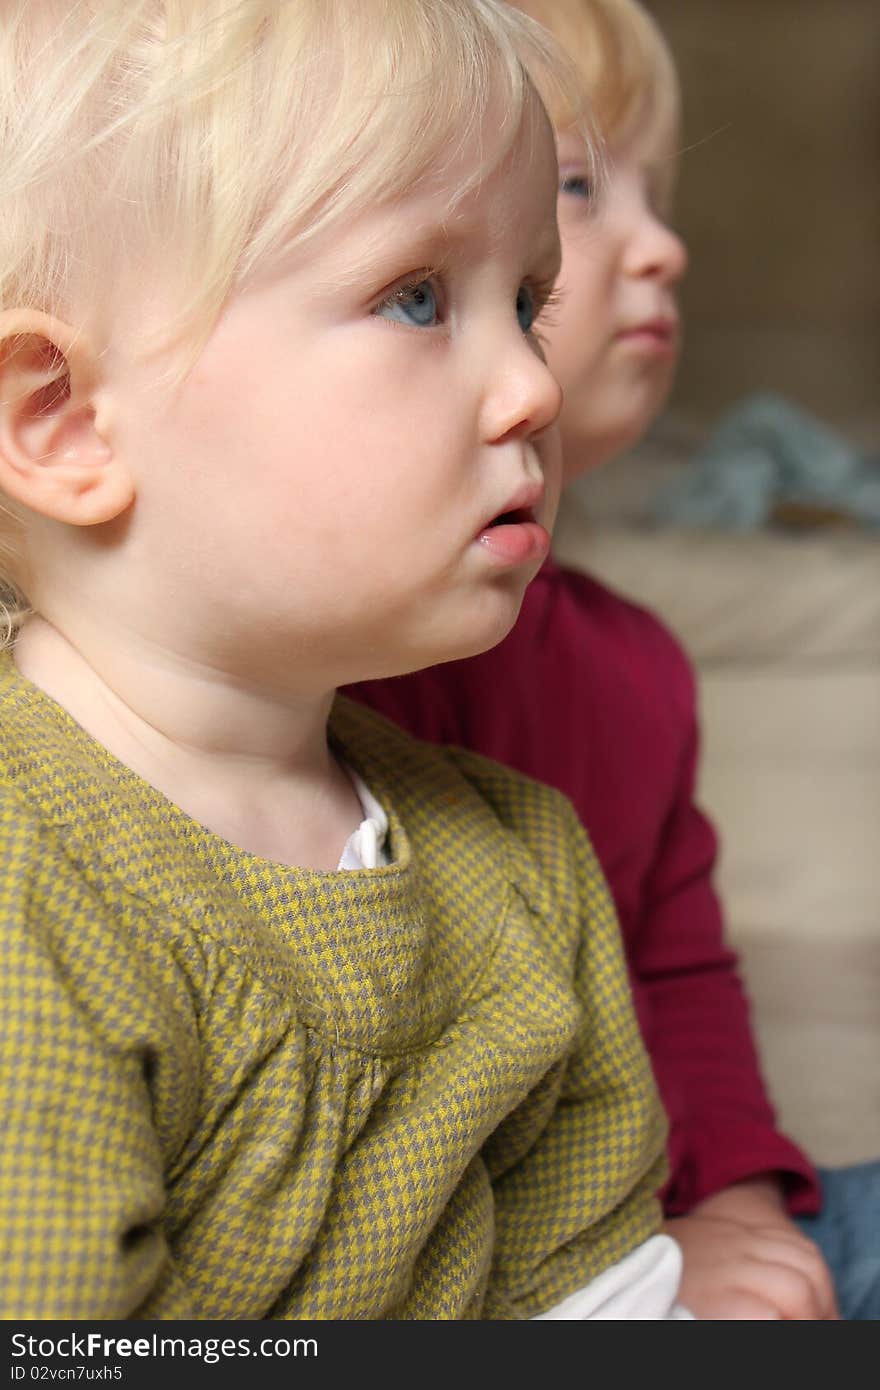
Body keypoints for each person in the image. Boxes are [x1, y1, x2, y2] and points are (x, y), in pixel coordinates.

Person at [0, 0, 698, 1322]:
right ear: (69, 420)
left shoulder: (523, 861)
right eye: (418, 297)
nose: (535, 389)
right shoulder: (30, 879)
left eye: (530, 303)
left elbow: (605, 1295)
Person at [350, 0, 880, 1321]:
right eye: (582, 186)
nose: (663, 244)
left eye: (657, 187)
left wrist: (738, 1201)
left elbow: (681, 964)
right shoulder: (341, 667)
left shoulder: (636, 666)